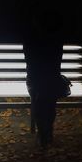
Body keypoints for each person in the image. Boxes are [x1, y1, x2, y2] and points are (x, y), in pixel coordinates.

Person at [23, 8, 64, 148]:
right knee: (48, 100)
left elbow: (31, 63)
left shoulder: (30, 40)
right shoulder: (55, 40)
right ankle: (47, 133)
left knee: (38, 99)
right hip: (49, 80)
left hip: (36, 81)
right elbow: (55, 63)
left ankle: (42, 134)